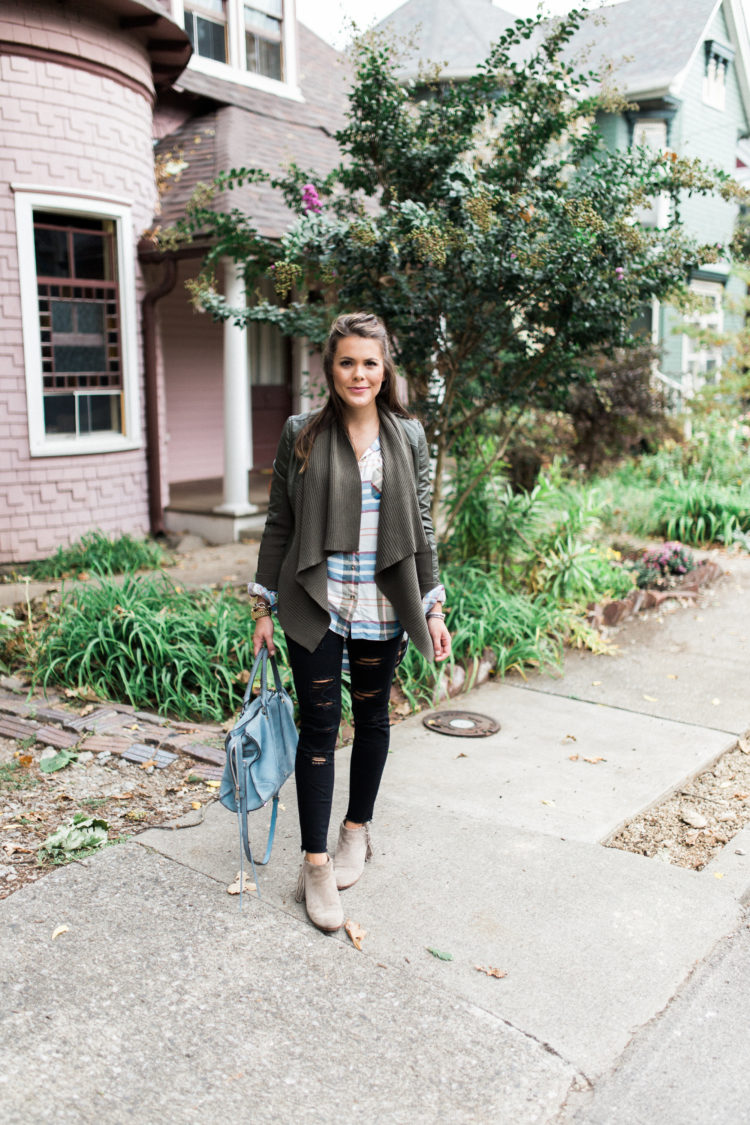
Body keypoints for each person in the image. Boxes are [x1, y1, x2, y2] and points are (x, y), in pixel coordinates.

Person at [250, 312, 451, 932]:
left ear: (384, 366)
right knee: (319, 728)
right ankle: (314, 863)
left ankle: (355, 831)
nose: (358, 373)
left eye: (369, 361)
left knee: (372, 720)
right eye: (346, 362)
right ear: (329, 368)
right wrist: (262, 605)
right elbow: (280, 522)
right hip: (319, 601)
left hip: (384, 604)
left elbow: (419, 528)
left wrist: (434, 605)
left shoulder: (407, 436)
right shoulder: (301, 434)